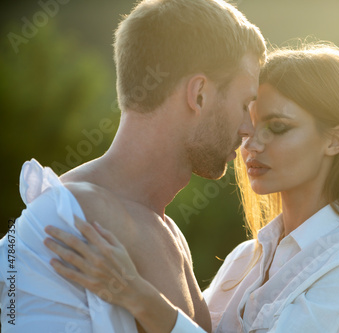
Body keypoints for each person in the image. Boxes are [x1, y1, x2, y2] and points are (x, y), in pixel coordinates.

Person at [45, 43, 339, 332]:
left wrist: (136, 293)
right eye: (249, 124)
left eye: (278, 127)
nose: (251, 142)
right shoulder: (242, 260)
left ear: (335, 141)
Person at [0, 0, 266, 332]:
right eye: (244, 105)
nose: (248, 128)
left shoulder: (168, 231)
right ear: (199, 94)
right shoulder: (70, 218)